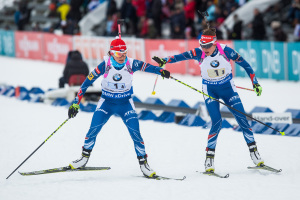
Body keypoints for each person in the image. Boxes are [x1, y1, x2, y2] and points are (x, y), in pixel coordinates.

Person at [152, 27, 264, 173]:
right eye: (202, 45)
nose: (204, 49)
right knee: (217, 122)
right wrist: (164, 60)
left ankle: (254, 154)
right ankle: (209, 160)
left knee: (242, 118)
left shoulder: (226, 51)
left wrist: (255, 82)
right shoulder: (199, 52)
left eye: (207, 46)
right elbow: (181, 56)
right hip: (210, 91)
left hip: (228, 90)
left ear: (214, 43)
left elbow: (246, 65)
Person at [68, 38, 170, 177]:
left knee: (136, 133)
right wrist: (76, 102)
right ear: (111, 53)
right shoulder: (105, 65)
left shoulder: (131, 63)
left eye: (124, 52)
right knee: (93, 129)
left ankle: (144, 164)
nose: (122, 56)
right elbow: (87, 82)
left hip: (125, 103)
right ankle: (83, 159)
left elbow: (147, 67)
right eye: (118, 53)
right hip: (107, 103)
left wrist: (161, 71)